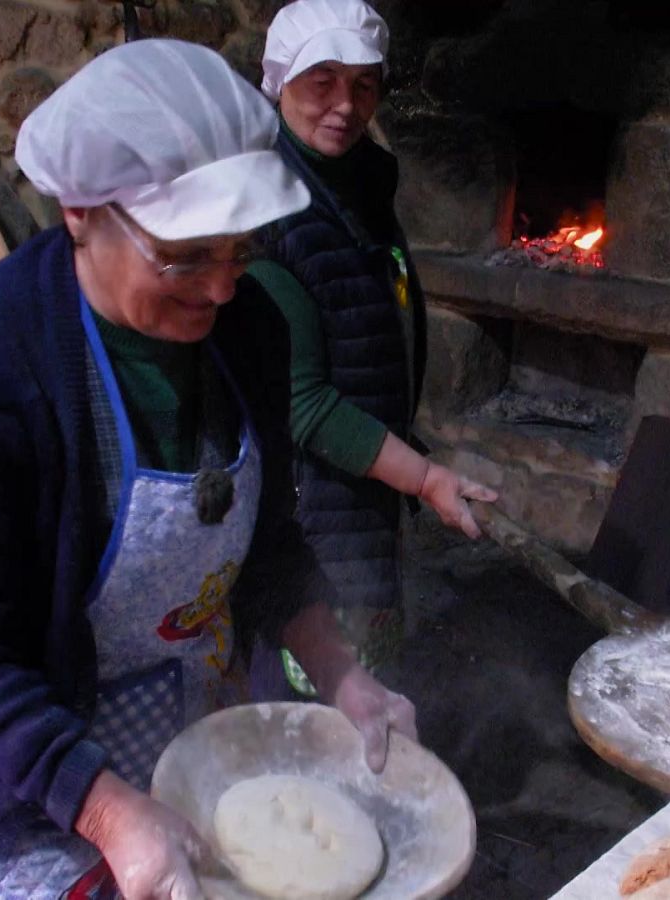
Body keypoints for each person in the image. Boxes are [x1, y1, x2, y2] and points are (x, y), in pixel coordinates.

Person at [0, 39, 416, 900]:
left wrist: (340, 670)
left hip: (185, 719)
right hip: (22, 753)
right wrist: (105, 811)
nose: (218, 290)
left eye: (239, 251)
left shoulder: (250, 329)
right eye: (184, 257)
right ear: (81, 213)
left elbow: (267, 542)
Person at [249, 0, 498, 697]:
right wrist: (422, 476)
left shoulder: (357, 185)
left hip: (359, 493)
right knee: (316, 685)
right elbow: (305, 405)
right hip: (308, 504)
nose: (344, 105)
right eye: (320, 80)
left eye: (362, 84)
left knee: (362, 679)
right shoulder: (272, 208)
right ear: (279, 80)